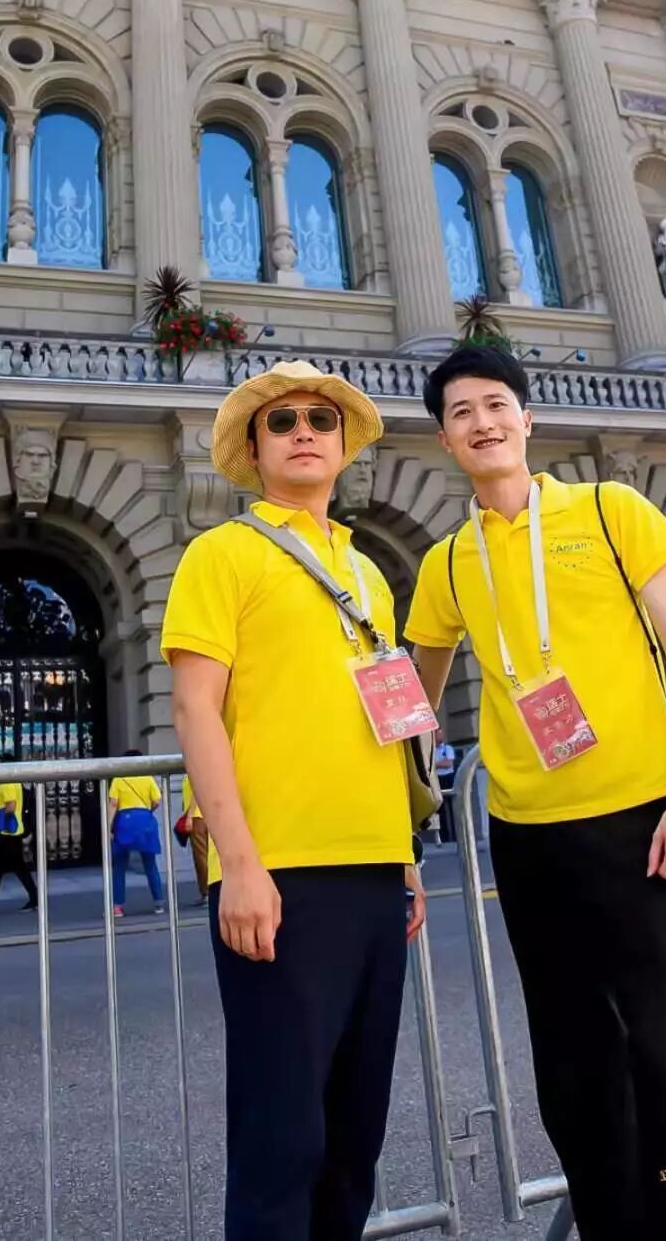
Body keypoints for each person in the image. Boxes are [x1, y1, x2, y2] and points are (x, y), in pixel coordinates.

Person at [405, 345, 666, 1241]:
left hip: (649, 823)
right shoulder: (448, 563)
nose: (481, 422)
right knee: (575, 1070)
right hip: (530, 840)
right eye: (460, 412)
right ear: (444, 439)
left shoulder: (609, 510)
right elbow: (414, 701)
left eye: (495, 404)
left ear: (527, 418)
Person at [162, 359, 424, 1241]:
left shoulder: (369, 573)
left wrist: (404, 855)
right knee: (282, 1138)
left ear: (344, 445)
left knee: (355, 1137)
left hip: (375, 871)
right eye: (282, 421)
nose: (304, 430)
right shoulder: (222, 553)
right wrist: (238, 864)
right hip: (278, 875)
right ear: (255, 447)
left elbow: (388, 724)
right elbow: (195, 709)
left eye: (321, 419)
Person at [108, 750, 165, 917]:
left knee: (119, 865)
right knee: (150, 864)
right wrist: (147, 811)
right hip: (145, 820)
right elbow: (157, 800)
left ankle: (117, 907)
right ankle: (158, 903)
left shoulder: (119, 779)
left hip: (124, 823)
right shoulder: (147, 778)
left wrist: (108, 827)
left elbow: (113, 804)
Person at [0, 756, 39, 915]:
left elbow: (10, 807)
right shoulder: (16, 783)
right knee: (15, 868)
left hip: (5, 834)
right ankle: (34, 898)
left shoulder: (7, 783)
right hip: (12, 833)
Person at [182, 773, 210, 905]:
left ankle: (207, 891)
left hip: (198, 816)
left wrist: (189, 816)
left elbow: (196, 792)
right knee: (206, 856)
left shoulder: (194, 770)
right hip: (206, 814)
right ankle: (208, 891)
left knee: (201, 857)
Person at [434, 731, 457, 843]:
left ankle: (455, 835)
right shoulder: (432, 750)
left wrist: (436, 764)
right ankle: (444, 837)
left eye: (442, 733)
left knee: (453, 808)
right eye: (438, 734)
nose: (441, 736)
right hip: (438, 779)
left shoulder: (448, 748)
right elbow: (430, 765)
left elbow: (448, 764)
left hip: (448, 778)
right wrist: (440, 763)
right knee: (440, 809)